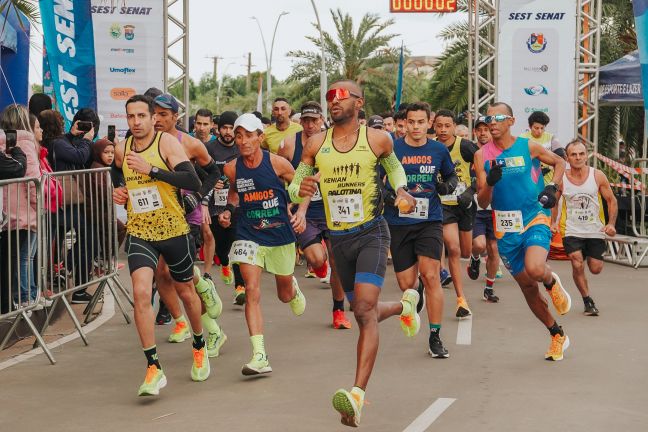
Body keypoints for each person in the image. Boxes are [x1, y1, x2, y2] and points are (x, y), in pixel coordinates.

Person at [288, 80, 420, 427]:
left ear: (358, 103)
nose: (333, 100)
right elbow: (297, 178)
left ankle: (357, 394)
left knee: (362, 310)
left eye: (340, 96)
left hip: (371, 233)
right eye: (329, 96)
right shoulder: (315, 142)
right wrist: (297, 185)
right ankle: (405, 306)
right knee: (364, 309)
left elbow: (393, 167)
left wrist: (402, 189)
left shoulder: (377, 139)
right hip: (339, 240)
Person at [112, 94, 210, 396]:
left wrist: (151, 170)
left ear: (153, 117)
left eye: (142, 116)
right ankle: (153, 368)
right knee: (141, 292)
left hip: (173, 229)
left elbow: (192, 180)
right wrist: (121, 190)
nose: (136, 122)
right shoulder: (122, 147)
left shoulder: (166, 143)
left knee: (185, 291)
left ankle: (199, 343)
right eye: (131, 117)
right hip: (140, 230)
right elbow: (117, 171)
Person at [474, 102, 571, 361]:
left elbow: (560, 163)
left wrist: (551, 186)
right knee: (528, 287)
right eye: (487, 118)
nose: (491, 123)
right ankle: (556, 334)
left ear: (511, 121)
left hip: (533, 216)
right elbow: (483, 202)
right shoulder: (481, 155)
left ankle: (551, 281)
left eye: (498, 118)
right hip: (506, 228)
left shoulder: (527, 146)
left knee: (536, 269)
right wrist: (491, 183)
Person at [220, 113, 307, 376]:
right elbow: (234, 192)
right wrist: (228, 209)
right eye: (239, 136)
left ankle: (291, 286)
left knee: (284, 296)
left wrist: (300, 212)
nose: (243, 141)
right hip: (249, 233)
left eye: (249, 135)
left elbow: (304, 188)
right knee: (251, 289)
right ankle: (259, 354)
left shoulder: (278, 164)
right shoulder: (232, 167)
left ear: (260, 137)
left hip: (280, 234)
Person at [149, 94, 225, 358]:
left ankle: (213, 330)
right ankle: (182, 319)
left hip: (184, 218)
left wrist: (199, 197)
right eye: (154, 113)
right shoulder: (146, 141)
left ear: (175, 117)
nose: (157, 119)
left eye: (163, 114)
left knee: (181, 281)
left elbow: (215, 172)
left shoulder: (190, 143)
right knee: (162, 276)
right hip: (157, 217)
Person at [384, 102, 458, 358]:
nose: (416, 127)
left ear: (429, 123)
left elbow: (452, 176)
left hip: (430, 221)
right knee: (407, 284)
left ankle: (435, 336)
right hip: (398, 223)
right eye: (411, 122)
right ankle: (417, 295)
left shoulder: (438, 149)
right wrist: (389, 196)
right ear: (404, 123)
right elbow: (378, 181)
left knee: (431, 275)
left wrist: (446, 187)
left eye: (420, 122)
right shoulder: (392, 149)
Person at [277, 101, 352, 329]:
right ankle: (319, 266)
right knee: (317, 258)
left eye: (314, 120)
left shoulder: (335, 142)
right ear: (301, 121)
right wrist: (287, 201)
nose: (310, 125)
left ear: (322, 120)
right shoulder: (290, 144)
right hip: (306, 212)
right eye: (306, 120)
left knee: (337, 262)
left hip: (333, 208)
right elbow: (278, 172)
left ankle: (338, 310)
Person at [552, 140, 618, 316]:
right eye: (573, 154)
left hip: (595, 229)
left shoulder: (597, 176)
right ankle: (587, 300)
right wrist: (552, 223)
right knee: (576, 261)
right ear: (567, 157)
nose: (578, 157)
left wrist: (611, 223)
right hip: (571, 229)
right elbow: (554, 202)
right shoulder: (562, 178)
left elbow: (611, 200)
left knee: (595, 268)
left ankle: (585, 260)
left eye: (581, 153)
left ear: (586, 155)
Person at [434, 109, 479, 318]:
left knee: (466, 252)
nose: (443, 130)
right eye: (439, 126)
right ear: (434, 126)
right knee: (452, 248)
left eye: (447, 126)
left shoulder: (466, 146)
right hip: (445, 205)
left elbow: (483, 170)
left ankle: (476, 259)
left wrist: (471, 191)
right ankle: (461, 300)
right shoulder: (431, 148)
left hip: (466, 203)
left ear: (454, 126)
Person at [0, 105, 42, 310]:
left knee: (22, 257)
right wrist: (39, 205)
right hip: (27, 212)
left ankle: (28, 295)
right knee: (25, 258)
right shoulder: (26, 143)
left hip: (12, 212)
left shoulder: (5, 144)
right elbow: (33, 180)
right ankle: (26, 296)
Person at [203, 111, 246, 304]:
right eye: (224, 128)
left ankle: (240, 287)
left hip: (236, 203)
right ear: (218, 128)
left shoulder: (241, 148)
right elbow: (200, 174)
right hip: (213, 205)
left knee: (237, 244)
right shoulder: (209, 148)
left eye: (231, 128)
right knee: (221, 246)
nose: (228, 132)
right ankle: (224, 262)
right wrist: (211, 182)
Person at [467, 116, 501, 301]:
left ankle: (489, 288)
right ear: (475, 132)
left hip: (496, 209)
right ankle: (475, 258)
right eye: (479, 129)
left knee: (494, 249)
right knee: (480, 245)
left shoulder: (500, 153)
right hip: (477, 209)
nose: (482, 132)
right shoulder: (470, 152)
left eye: (486, 129)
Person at [520, 111, 566, 185]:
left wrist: (549, 168)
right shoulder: (522, 138)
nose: (539, 131)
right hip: (528, 181)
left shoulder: (551, 137)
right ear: (530, 126)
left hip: (548, 181)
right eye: (536, 128)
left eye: (542, 128)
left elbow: (561, 158)